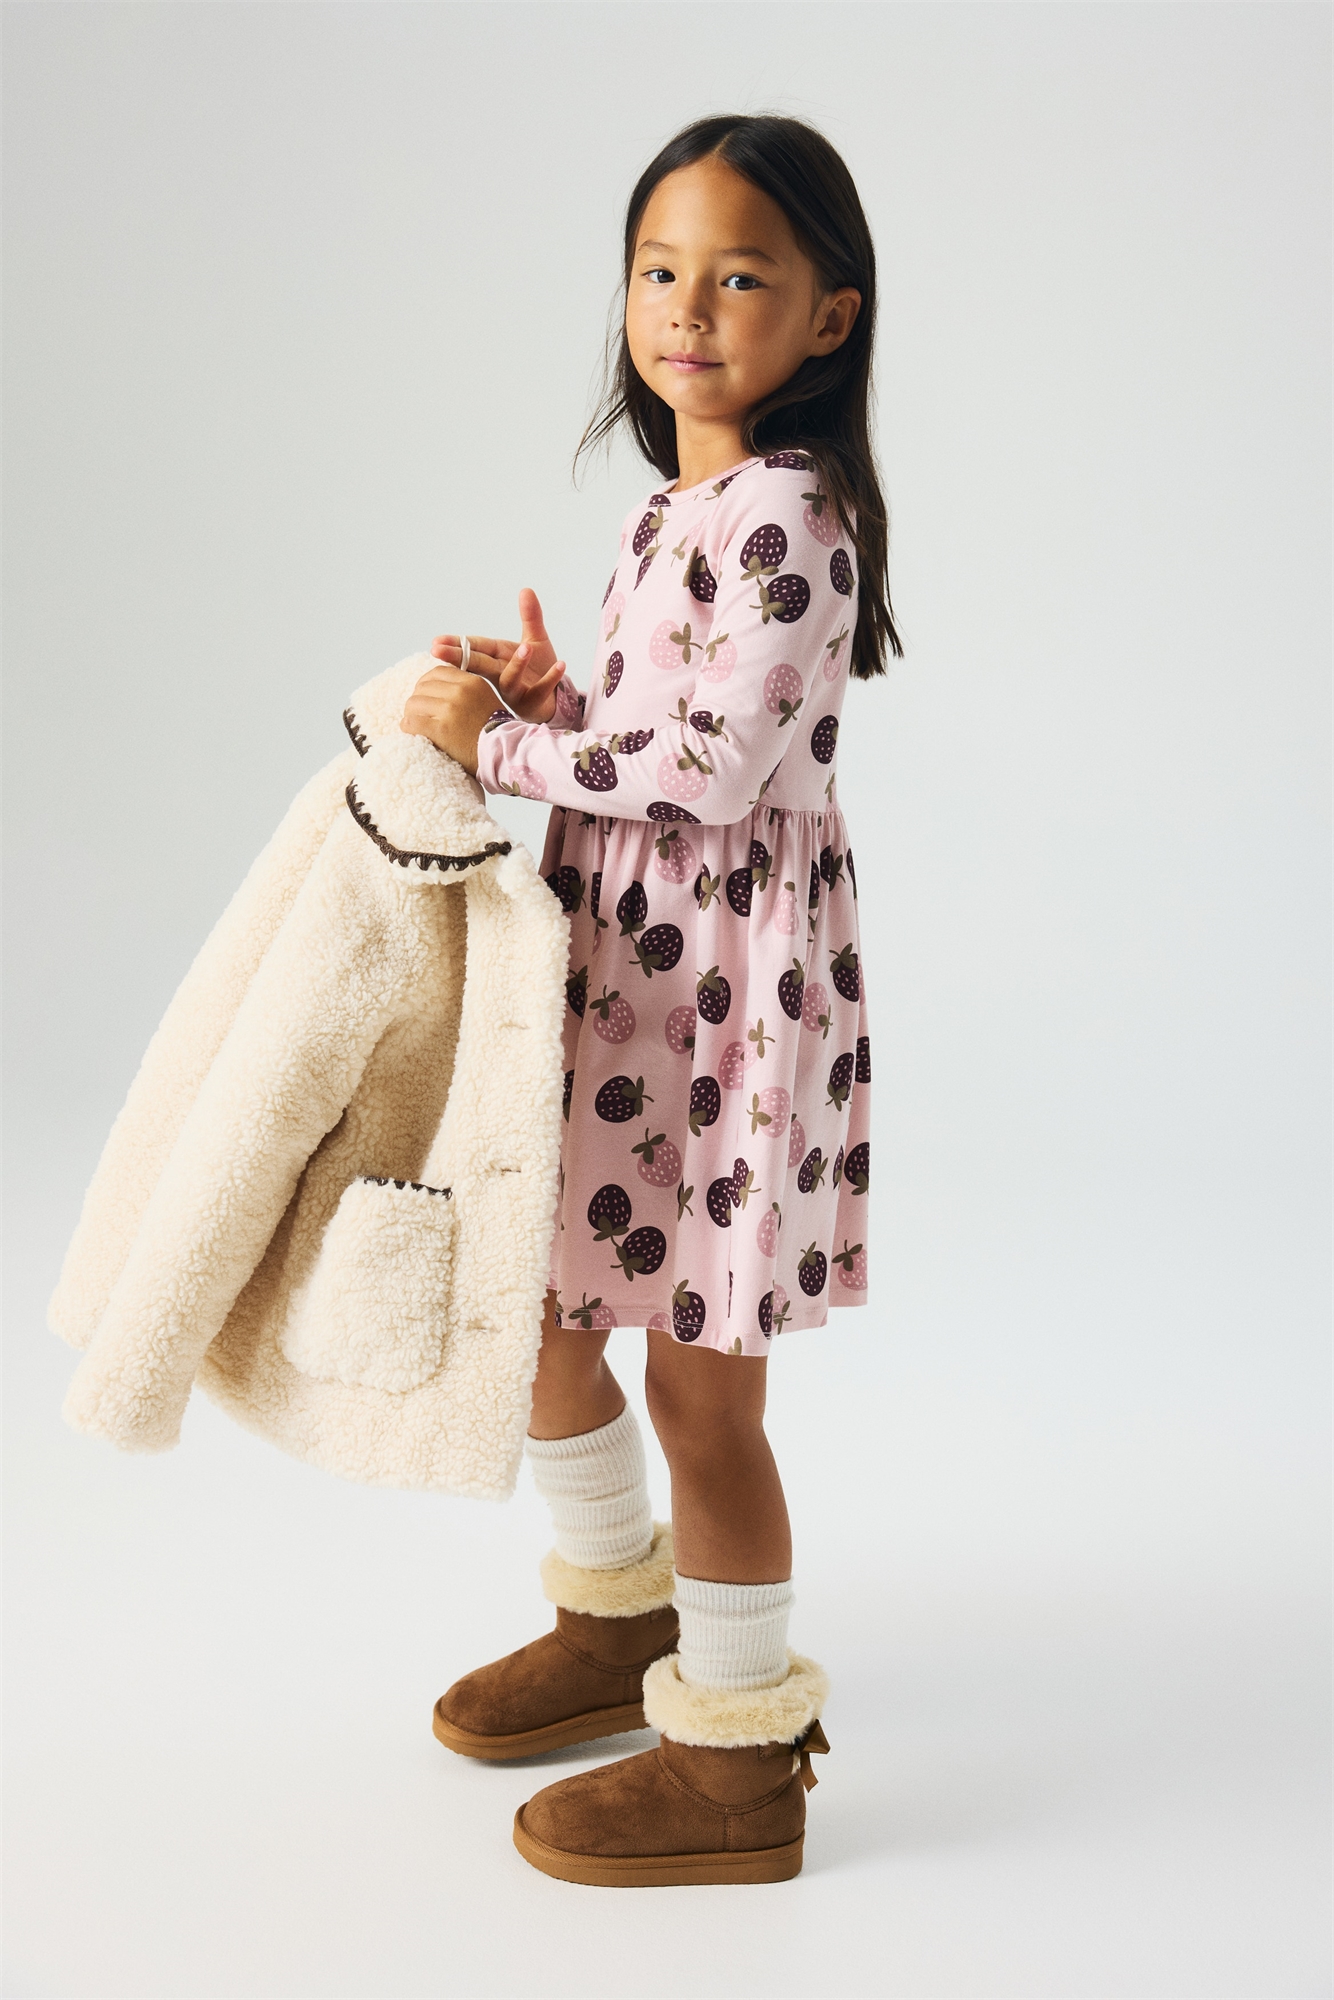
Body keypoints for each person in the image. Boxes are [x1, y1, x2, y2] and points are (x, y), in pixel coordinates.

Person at [401, 111, 900, 1888]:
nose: (687, 307)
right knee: (545, 1316)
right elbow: (656, 722)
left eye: (739, 275)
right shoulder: (671, 510)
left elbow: (710, 763)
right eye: (658, 270)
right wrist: (558, 698)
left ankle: (739, 1760)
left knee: (700, 1393)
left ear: (826, 316)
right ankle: (620, 1618)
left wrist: (510, 747)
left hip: (722, 1009)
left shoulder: (793, 515)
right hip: (627, 977)